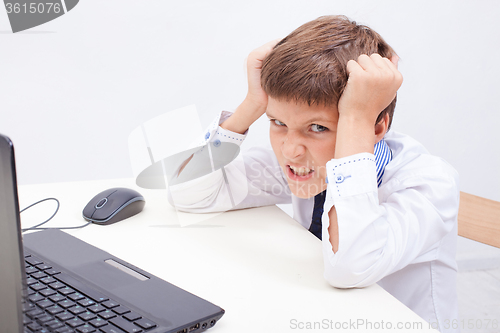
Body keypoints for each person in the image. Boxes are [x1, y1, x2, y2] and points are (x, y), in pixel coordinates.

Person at [168, 15, 459, 333]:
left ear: (376, 127)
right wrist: (253, 103)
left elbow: (349, 267)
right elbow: (188, 192)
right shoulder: (304, 163)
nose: (290, 150)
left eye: (318, 127)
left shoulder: (428, 185)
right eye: (277, 122)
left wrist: (356, 118)